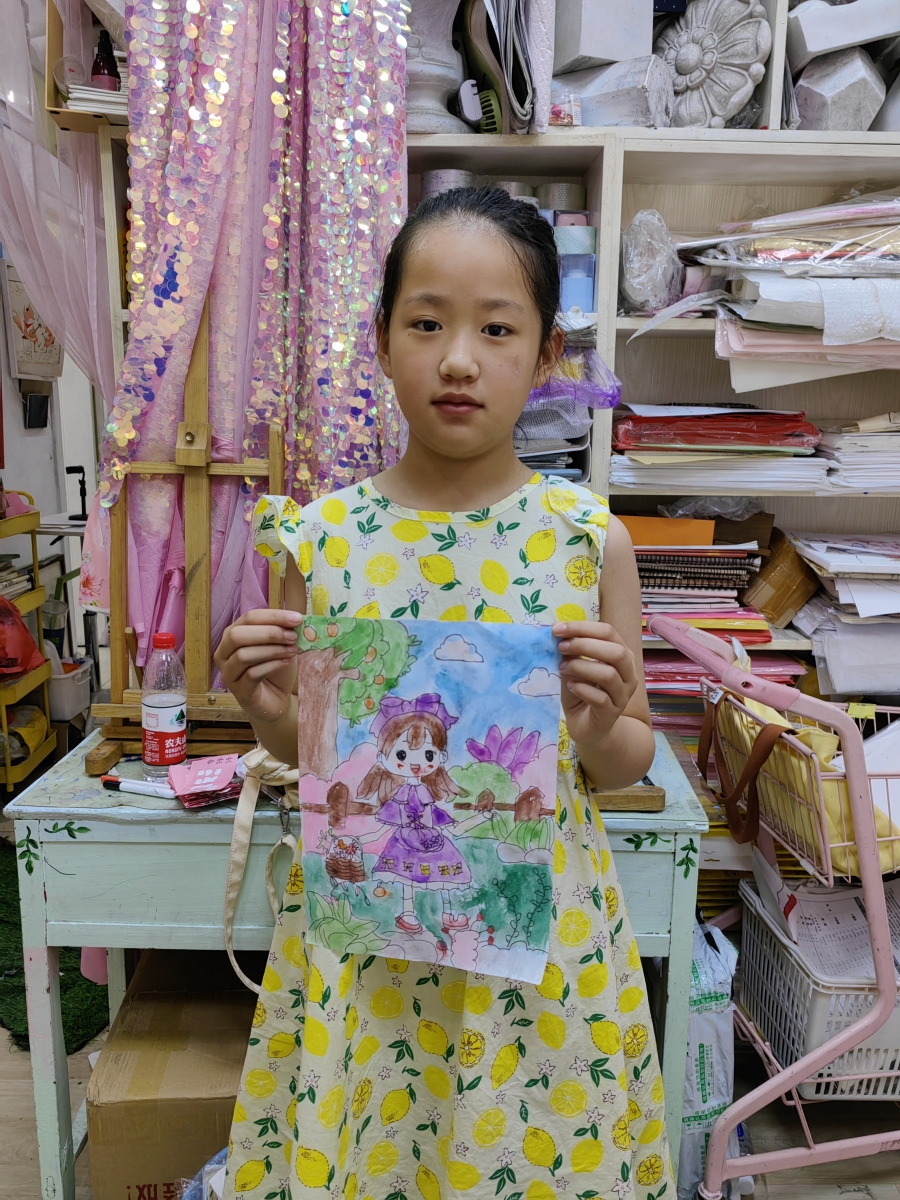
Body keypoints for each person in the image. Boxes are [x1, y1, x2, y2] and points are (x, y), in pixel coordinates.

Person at [215, 186, 672, 1200]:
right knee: (379, 1153)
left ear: (547, 356)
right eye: (426, 323)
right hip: (370, 949)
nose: (458, 359)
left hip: (536, 946)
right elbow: (312, 754)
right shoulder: (322, 540)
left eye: (497, 329)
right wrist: (267, 708)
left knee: (531, 1160)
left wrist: (600, 722)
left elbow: (625, 762)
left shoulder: (587, 541)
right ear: (381, 341)